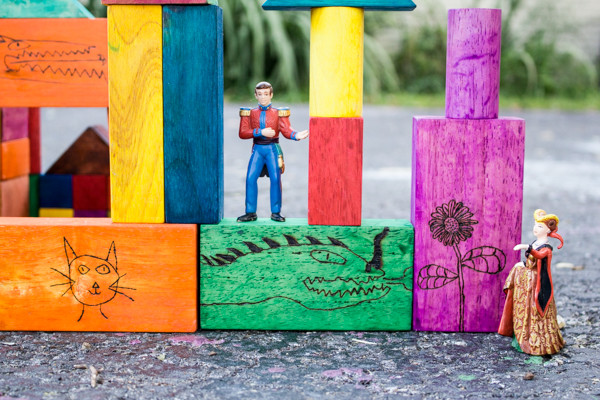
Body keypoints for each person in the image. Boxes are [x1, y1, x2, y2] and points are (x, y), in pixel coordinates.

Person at [237, 81, 308, 223]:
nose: (263, 97)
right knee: (250, 178)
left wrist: (296, 135)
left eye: (266, 94)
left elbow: (286, 130)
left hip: (272, 149)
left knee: (276, 180)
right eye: (260, 94)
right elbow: (243, 133)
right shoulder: (250, 113)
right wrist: (260, 131)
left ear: (271, 95)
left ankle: (276, 212)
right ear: (255, 95)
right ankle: (250, 212)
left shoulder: (278, 113)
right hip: (258, 149)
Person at [498, 209, 565, 355]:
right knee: (523, 306)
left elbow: (539, 256)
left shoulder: (546, 248)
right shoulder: (536, 242)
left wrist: (526, 247)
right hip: (527, 279)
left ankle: (537, 342)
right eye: (536, 225)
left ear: (548, 230)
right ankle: (521, 335)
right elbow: (530, 260)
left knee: (534, 308)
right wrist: (522, 264)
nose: (536, 228)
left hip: (536, 283)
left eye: (540, 226)